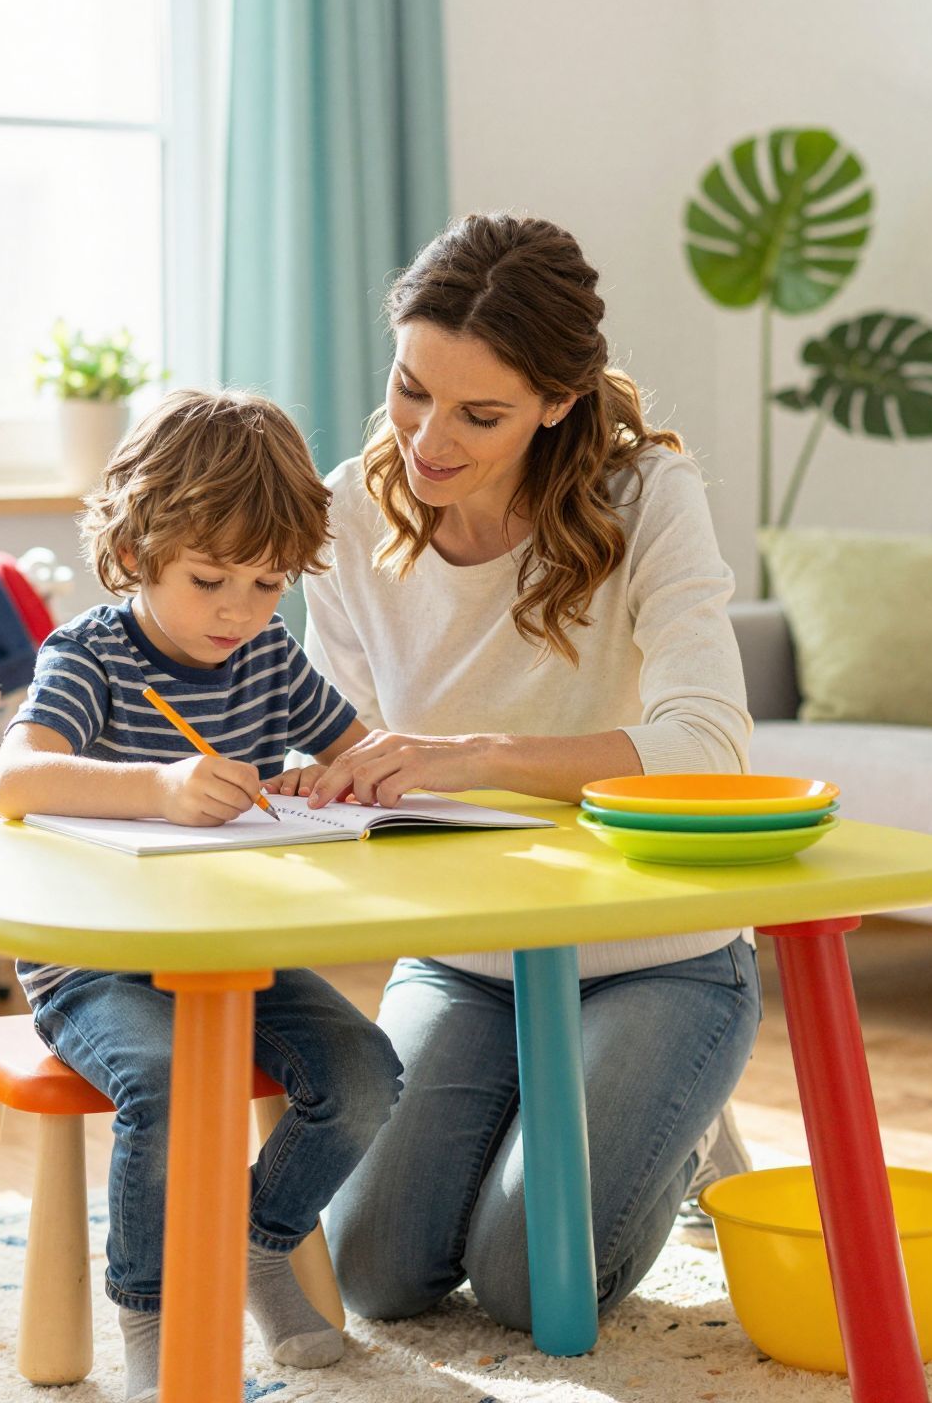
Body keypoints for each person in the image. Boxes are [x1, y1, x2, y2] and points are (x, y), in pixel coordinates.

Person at [274, 213, 759, 1332]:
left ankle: (675, 1125)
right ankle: (566, 1121)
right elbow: (330, 734)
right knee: (378, 1273)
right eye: (409, 390)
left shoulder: (645, 499)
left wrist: (471, 758)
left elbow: (707, 748)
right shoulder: (351, 511)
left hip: (656, 959)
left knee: (526, 1279)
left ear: (558, 401)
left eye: (478, 413)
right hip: (467, 956)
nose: (426, 439)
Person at [0, 389, 404, 1399]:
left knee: (364, 1074)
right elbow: (17, 778)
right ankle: (156, 1311)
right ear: (135, 552)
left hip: (233, 958)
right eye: (209, 579)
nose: (239, 612)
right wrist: (159, 789)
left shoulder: (264, 656)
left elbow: (356, 750)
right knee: (171, 1085)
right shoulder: (88, 655)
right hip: (96, 968)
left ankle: (257, 1243)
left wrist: (347, 777)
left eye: (267, 584)